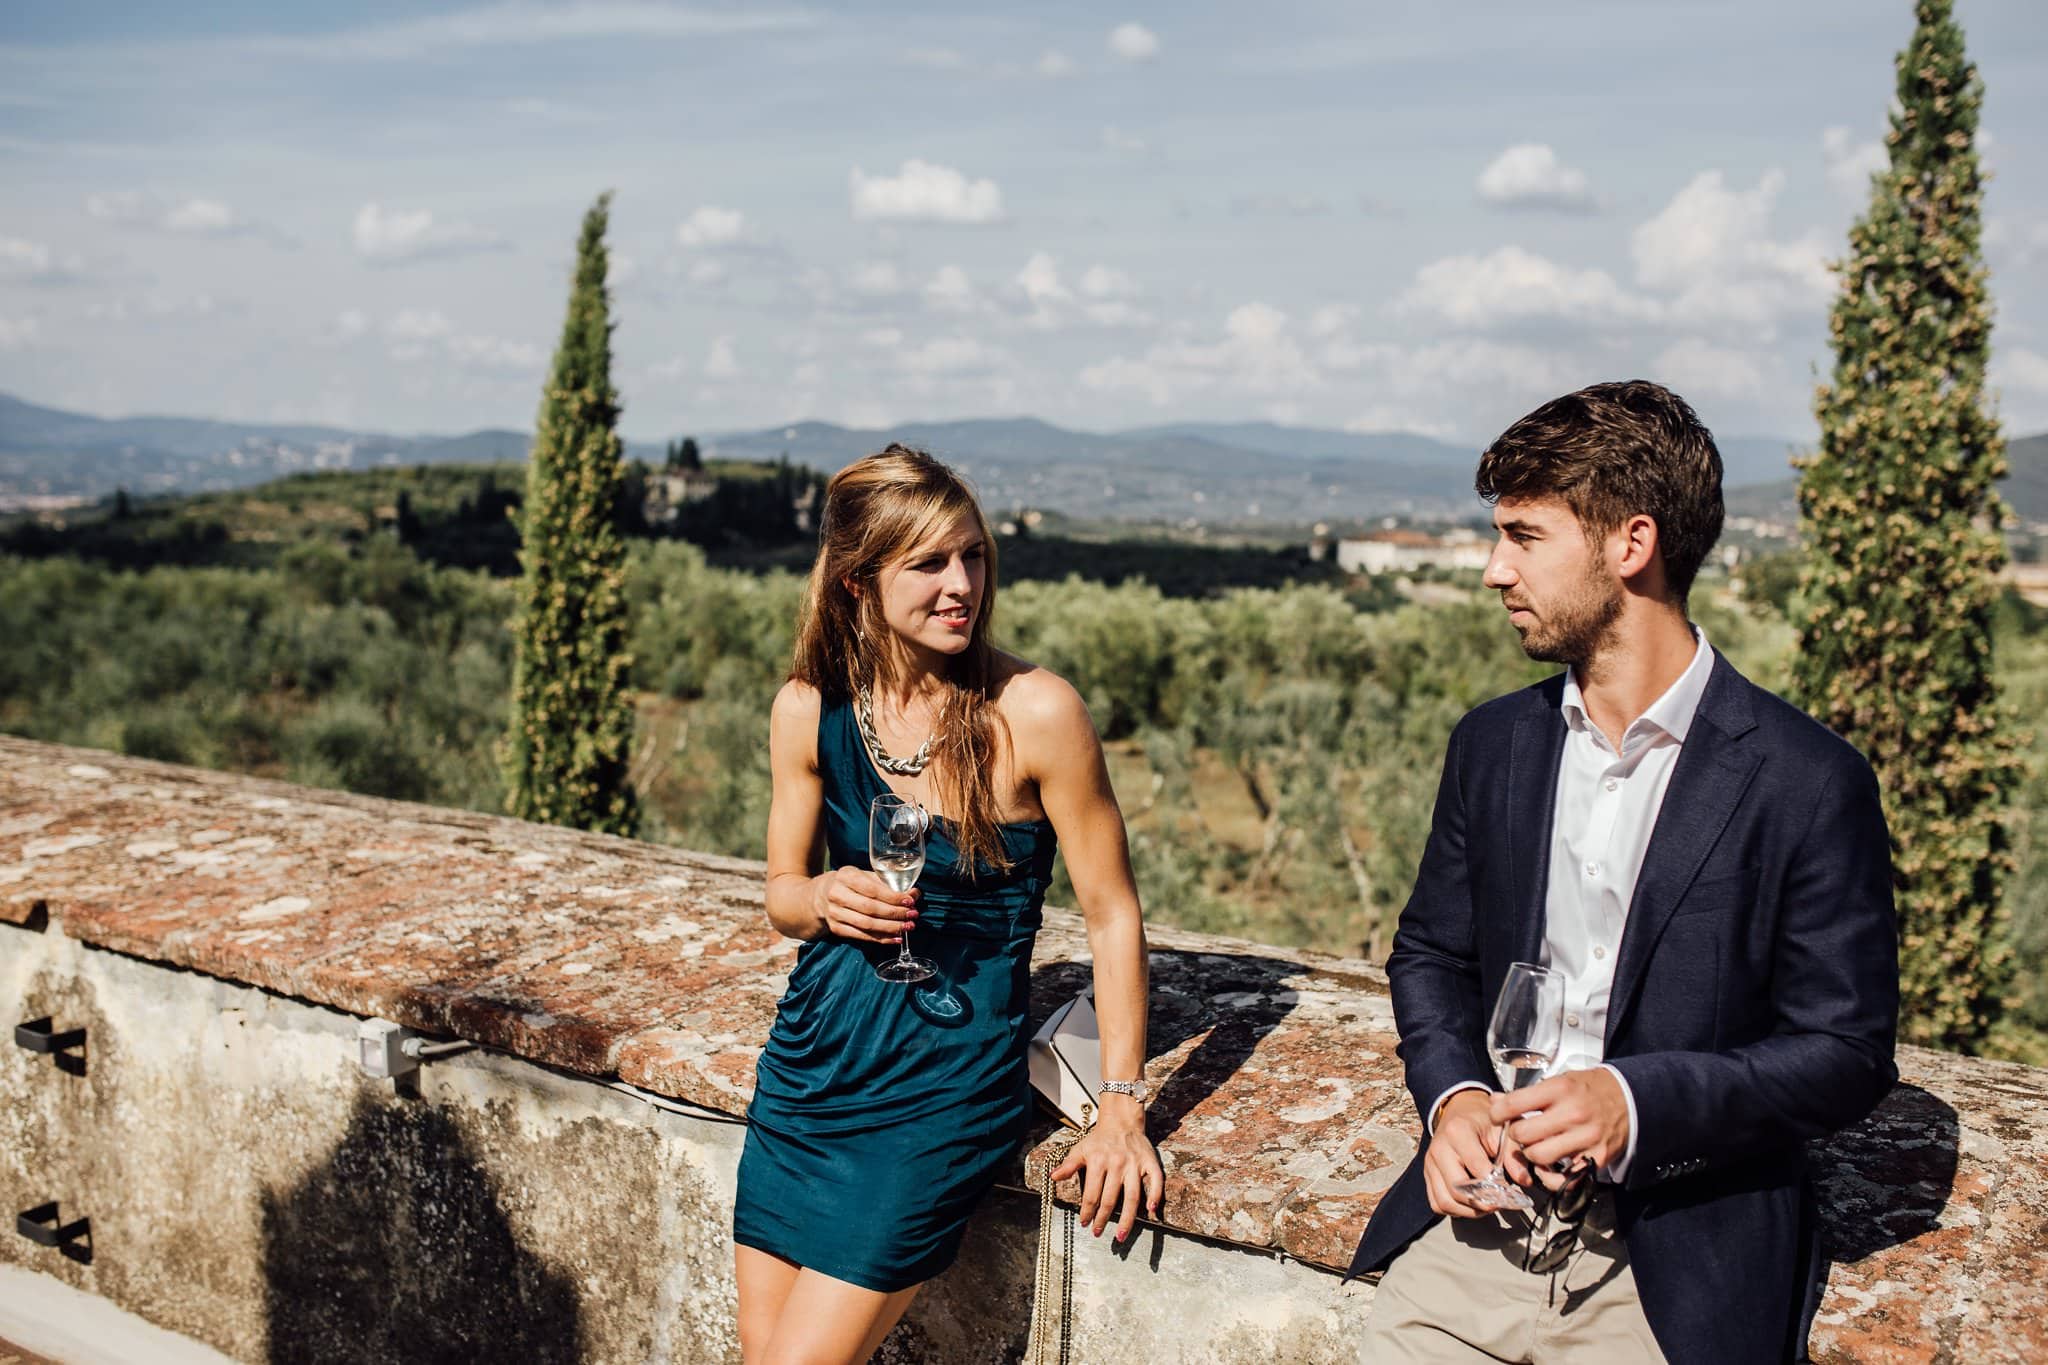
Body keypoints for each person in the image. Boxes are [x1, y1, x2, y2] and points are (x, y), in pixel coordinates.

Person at [1351, 381, 1899, 1363]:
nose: (1490, 570)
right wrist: (1453, 1100)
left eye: (1522, 537)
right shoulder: (1492, 744)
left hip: (1673, 1263)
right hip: (1474, 1239)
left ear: (1628, 545)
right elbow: (1430, 953)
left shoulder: (1807, 781)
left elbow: (1843, 1052)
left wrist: (1634, 1104)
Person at [733, 444, 1164, 1365]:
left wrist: (1124, 1106)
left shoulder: (1038, 712)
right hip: (809, 1069)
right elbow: (779, 894)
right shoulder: (808, 709)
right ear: (857, 582)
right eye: (928, 562)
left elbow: (1113, 914)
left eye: (972, 554)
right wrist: (820, 894)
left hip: (940, 1084)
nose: (961, 582)